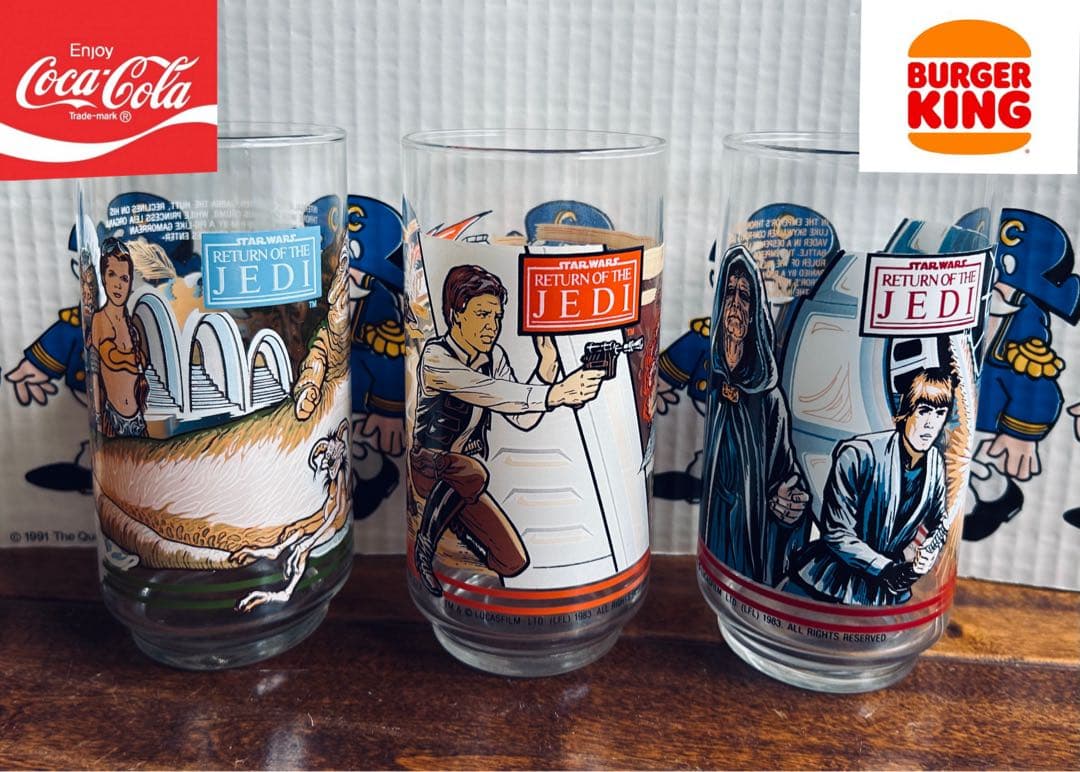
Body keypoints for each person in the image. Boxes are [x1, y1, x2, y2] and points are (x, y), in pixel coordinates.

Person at [410, 264, 605, 595]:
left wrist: (545, 370)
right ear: (456, 314)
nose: (493, 326)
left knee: (513, 561)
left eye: (497, 317)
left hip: (464, 481)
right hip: (429, 464)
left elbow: (522, 418)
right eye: (483, 315)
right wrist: (555, 393)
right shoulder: (436, 356)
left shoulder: (494, 355)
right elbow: (489, 392)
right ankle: (424, 549)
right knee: (471, 471)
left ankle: (455, 523)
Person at [788, 369, 954, 606]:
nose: (930, 424)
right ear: (906, 411)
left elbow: (940, 521)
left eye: (939, 413)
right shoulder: (858, 454)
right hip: (832, 582)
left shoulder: (935, 463)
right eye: (924, 411)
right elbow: (837, 532)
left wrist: (929, 549)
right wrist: (885, 569)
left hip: (887, 593)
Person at [700, 245, 810, 587]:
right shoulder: (716, 384)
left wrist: (787, 501)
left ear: (754, 313)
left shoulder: (769, 400)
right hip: (714, 520)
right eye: (729, 293)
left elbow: (785, 475)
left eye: (744, 296)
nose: (735, 304)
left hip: (747, 529)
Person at [90, 238, 148, 438]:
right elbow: (111, 356)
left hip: (137, 419)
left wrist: (139, 359)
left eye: (124, 278)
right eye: (111, 274)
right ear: (103, 278)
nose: (118, 284)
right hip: (112, 420)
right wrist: (133, 360)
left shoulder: (131, 326)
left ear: (130, 283)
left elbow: (140, 361)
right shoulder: (100, 318)